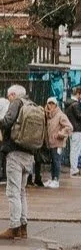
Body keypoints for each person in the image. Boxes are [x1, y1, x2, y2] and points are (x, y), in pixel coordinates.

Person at [0, 85, 39, 240]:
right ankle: (23, 227)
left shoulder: (16, 103)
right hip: (29, 154)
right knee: (22, 192)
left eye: (9, 96)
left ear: (14, 94)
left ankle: (14, 227)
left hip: (15, 153)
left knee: (13, 192)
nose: (9, 99)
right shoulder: (33, 105)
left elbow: (7, 121)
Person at [44, 97, 72, 188]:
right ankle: (52, 179)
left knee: (56, 161)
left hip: (58, 143)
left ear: (56, 105)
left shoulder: (60, 115)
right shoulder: (48, 115)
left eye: (53, 104)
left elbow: (69, 127)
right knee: (52, 161)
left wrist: (61, 133)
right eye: (49, 103)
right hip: (51, 143)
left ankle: (56, 179)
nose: (50, 105)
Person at [64, 87, 81, 178]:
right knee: (75, 150)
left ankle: (74, 169)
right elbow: (79, 116)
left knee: (73, 150)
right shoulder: (75, 104)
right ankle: (74, 170)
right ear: (78, 94)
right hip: (77, 129)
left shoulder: (68, 103)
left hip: (72, 129)